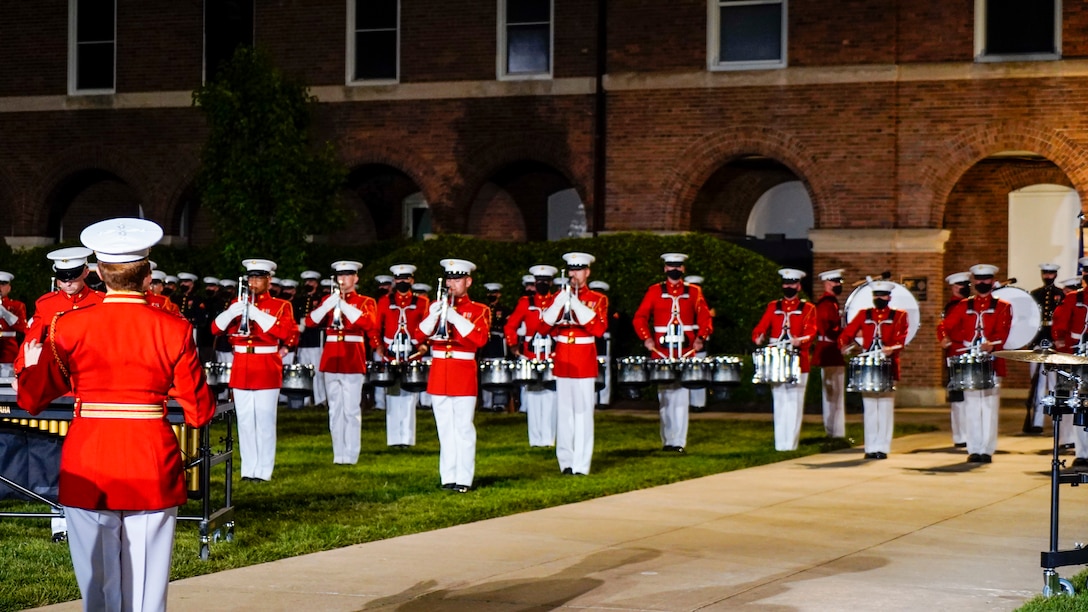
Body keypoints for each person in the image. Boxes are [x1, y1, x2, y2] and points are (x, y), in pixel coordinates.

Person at [16, 217, 216, 612]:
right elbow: (199, 412)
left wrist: (33, 364)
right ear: (147, 275)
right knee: (146, 591)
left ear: (100, 274)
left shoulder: (68, 326)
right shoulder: (174, 329)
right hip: (150, 458)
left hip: (88, 459)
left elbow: (31, 400)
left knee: (97, 588)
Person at [211, 258, 298, 481]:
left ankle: (264, 470)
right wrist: (232, 312)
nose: (253, 282)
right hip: (242, 366)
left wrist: (256, 312)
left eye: (258, 277)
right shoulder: (236, 302)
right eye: (250, 277)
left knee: (266, 420)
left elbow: (282, 333)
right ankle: (249, 469)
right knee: (246, 420)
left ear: (269, 280)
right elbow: (215, 329)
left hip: (266, 366)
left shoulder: (281, 305)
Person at [417, 259, 490, 492]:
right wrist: (433, 316)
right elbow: (418, 336)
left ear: (468, 281)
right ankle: (448, 476)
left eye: (457, 279)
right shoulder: (435, 305)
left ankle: (464, 479)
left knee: (463, 428)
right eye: (449, 279)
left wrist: (455, 317)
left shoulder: (479, 310)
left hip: (462, 373)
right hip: (439, 372)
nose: (451, 284)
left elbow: (480, 340)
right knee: (445, 429)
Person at [632, 253, 713, 453]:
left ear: (683, 269)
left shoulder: (694, 291)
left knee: (682, 396)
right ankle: (668, 440)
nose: (674, 269)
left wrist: (701, 337)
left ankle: (679, 442)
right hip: (661, 351)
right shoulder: (654, 291)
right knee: (665, 397)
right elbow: (640, 317)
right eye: (670, 266)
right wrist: (646, 338)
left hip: (686, 351)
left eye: (678, 266)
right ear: (665, 269)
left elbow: (705, 318)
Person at [539, 253, 608, 474]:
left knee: (583, 413)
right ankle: (566, 462)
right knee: (564, 413)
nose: (573, 275)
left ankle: (581, 464)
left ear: (587, 272)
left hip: (583, 358)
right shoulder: (558, 296)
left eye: (578, 270)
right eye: (571, 270)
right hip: (563, 358)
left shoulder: (598, 299)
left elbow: (598, 329)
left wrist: (575, 304)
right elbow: (541, 329)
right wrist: (558, 303)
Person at [308, 261, 378, 464]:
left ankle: (351, 454)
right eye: (340, 276)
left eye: (347, 276)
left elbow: (368, 323)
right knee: (335, 409)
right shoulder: (327, 299)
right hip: (331, 358)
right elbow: (312, 321)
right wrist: (327, 305)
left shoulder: (365, 301)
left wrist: (343, 305)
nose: (343, 280)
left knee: (351, 409)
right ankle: (338, 454)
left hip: (352, 358)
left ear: (355, 278)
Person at [942, 264, 1012, 463]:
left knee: (989, 406)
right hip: (969, 360)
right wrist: (943, 337)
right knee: (972, 405)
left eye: (986, 279)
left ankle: (987, 449)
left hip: (991, 360)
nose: (982, 283)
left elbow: (1003, 332)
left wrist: (992, 344)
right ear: (973, 281)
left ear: (992, 281)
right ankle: (974, 449)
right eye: (978, 279)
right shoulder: (964, 305)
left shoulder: (1003, 306)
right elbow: (945, 324)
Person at [839, 281, 908, 459]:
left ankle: (883, 447)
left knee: (884, 407)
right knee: (869, 407)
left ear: (889, 297)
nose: (879, 298)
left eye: (882, 295)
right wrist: (843, 344)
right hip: (869, 365)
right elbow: (848, 333)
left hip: (887, 364)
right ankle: (870, 447)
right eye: (876, 295)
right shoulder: (864, 314)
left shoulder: (899, 315)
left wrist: (892, 347)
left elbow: (901, 337)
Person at [751, 269, 816, 452]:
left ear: (799, 286)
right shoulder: (774, 306)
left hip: (798, 359)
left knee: (795, 402)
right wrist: (758, 336)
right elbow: (761, 326)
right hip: (777, 360)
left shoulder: (808, 308)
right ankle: (780, 444)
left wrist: (801, 340)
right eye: (786, 284)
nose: (789, 287)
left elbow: (811, 331)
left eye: (792, 284)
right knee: (779, 401)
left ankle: (791, 444)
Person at [374, 264, 429, 447]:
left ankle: (407, 439)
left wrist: (424, 346)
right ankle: (393, 439)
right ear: (394, 281)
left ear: (412, 280)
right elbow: (375, 328)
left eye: (406, 278)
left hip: (412, 353)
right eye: (399, 279)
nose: (402, 282)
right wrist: (378, 347)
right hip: (391, 353)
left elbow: (427, 327)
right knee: (392, 394)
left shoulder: (421, 302)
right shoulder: (384, 301)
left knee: (409, 396)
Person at [505, 265, 559, 446]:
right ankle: (535, 439)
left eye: (545, 281)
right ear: (534, 283)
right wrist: (513, 345)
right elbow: (510, 325)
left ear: (551, 283)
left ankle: (549, 438)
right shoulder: (525, 302)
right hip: (530, 353)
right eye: (539, 281)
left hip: (551, 352)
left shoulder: (557, 301)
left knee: (551, 395)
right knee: (534, 395)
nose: (542, 284)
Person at [1025, 263, 1065, 434]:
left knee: (1054, 383)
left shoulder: (1060, 294)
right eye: (1045, 273)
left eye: (1051, 273)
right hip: (1038, 340)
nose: (1048, 276)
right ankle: (1037, 421)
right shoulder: (1034, 294)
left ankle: (1057, 420)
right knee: (1037, 383)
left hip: (1054, 340)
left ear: (1055, 275)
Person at [938, 272, 972, 449]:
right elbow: (944, 327)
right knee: (958, 397)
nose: (963, 288)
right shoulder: (953, 306)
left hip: (971, 352)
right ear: (953, 287)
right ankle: (960, 435)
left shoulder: (971, 303)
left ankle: (969, 433)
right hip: (956, 353)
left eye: (965, 284)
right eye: (959, 285)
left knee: (972, 395)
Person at [813, 269, 846, 438]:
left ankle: (835, 431)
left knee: (835, 394)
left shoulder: (831, 302)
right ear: (826, 284)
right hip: (829, 349)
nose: (838, 285)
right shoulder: (827, 304)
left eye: (839, 282)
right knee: (834, 394)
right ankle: (834, 432)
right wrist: (846, 335)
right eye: (835, 282)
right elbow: (829, 328)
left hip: (831, 349)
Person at [294, 270, 326, 406]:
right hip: (303, 341)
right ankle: (306, 399)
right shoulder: (299, 300)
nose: (308, 283)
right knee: (304, 371)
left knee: (318, 372)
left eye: (311, 281)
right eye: (307, 281)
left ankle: (320, 399)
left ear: (316, 284)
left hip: (316, 339)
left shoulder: (320, 300)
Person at [480, 282, 511, 412]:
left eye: (494, 293)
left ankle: (500, 403)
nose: (491, 295)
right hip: (486, 345)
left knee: (500, 373)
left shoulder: (504, 310)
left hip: (498, 344)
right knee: (486, 372)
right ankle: (487, 403)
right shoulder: (483, 309)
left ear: (499, 294)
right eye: (489, 293)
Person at [589, 280, 613, 409]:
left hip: (603, 341)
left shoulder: (608, 309)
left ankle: (604, 399)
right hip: (591, 341)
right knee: (591, 369)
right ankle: (592, 399)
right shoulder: (587, 306)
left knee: (605, 369)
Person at [411, 281, 435, 410]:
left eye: (422, 294)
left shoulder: (430, 308)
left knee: (428, 374)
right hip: (415, 343)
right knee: (416, 372)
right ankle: (416, 401)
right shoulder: (413, 307)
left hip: (428, 345)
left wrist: (426, 343)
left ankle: (426, 401)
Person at [0, 271, 28, 372]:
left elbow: (23, 327)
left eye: (3, 284)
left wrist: (6, 314)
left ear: (9, 288)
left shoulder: (17, 305)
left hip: (9, 349)